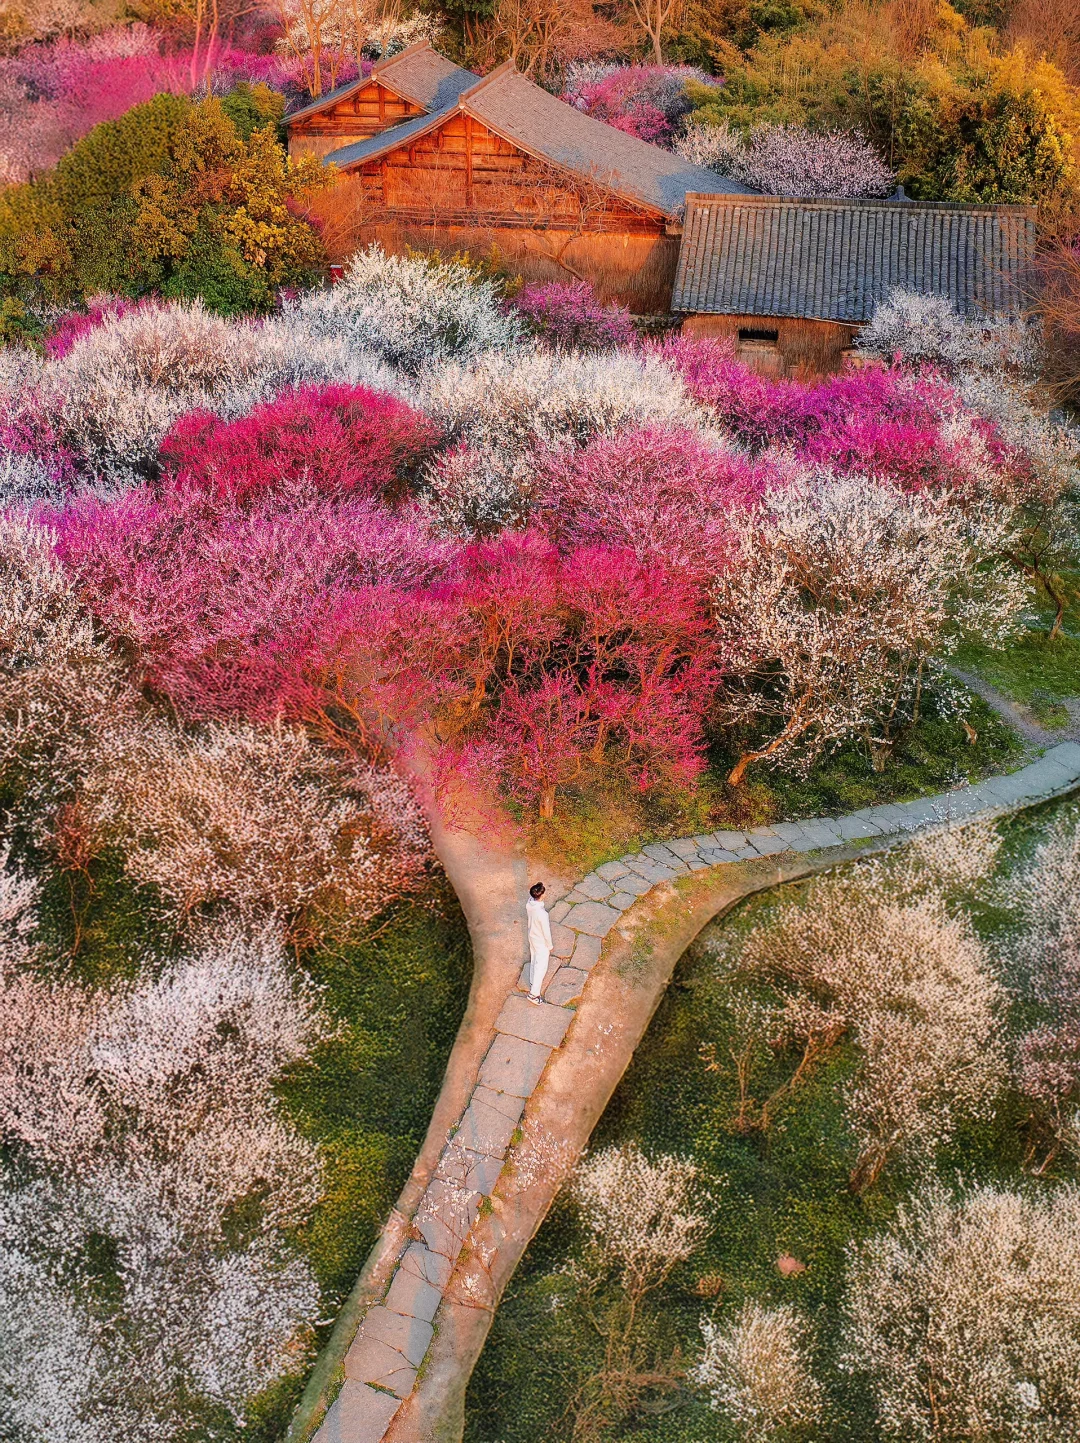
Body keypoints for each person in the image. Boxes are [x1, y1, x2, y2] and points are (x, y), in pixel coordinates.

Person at [526, 881, 552, 1004]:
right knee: (541, 966)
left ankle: (532, 980)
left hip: (532, 936)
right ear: (541, 895)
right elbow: (546, 932)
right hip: (541, 941)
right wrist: (550, 945)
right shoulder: (542, 914)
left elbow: (531, 897)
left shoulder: (529, 904)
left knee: (534, 958)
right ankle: (534, 994)